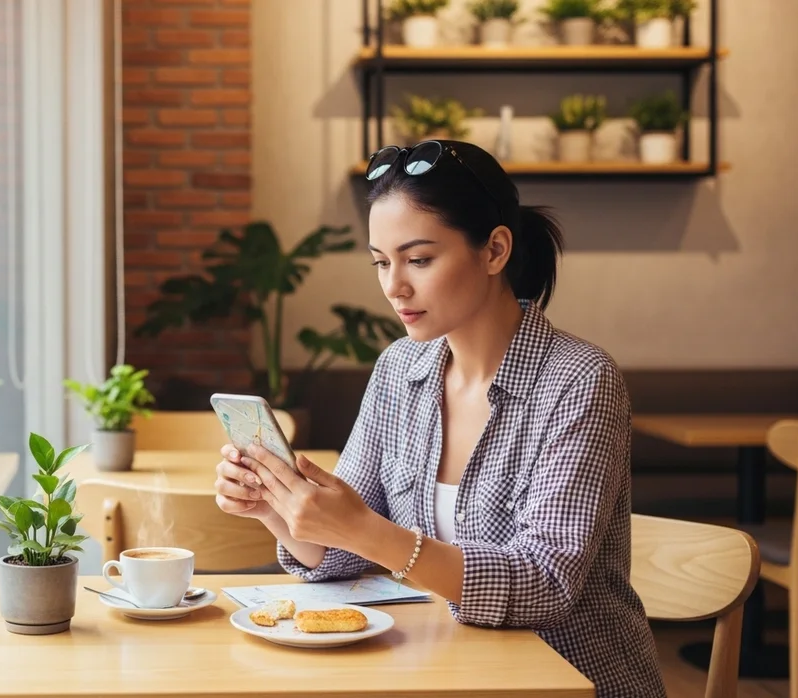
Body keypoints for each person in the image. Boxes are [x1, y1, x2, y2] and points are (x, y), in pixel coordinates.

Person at [214, 141, 665, 697]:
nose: (393, 286)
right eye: (382, 262)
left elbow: (545, 585)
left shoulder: (579, 380)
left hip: (570, 680)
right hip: (442, 674)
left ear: (495, 250)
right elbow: (347, 549)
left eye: (419, 259)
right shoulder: (399, 369)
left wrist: (363, 528)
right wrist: (279, 511)